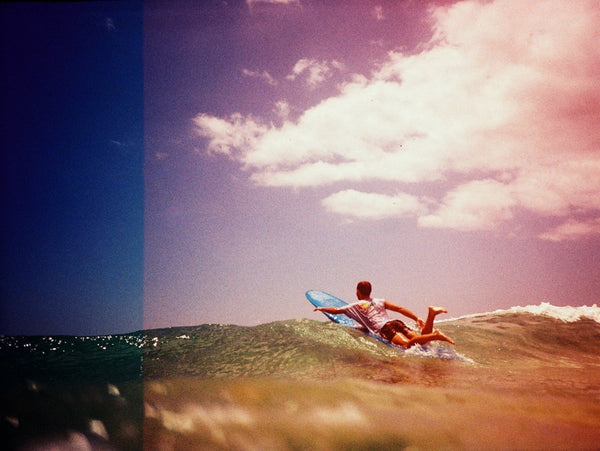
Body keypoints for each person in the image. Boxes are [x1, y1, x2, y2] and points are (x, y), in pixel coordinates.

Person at [314, 281, 455, 349]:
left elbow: (336, 310)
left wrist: (321, 308)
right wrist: (416, 318)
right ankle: (431, 315)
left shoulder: (354, 306)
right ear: (370, 291)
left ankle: (435, 335)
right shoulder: (380, 301)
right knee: (421, 341)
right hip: (395, 322)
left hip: (385, 329)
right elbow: (400, 308)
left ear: (358, 291)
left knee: (407, 345)